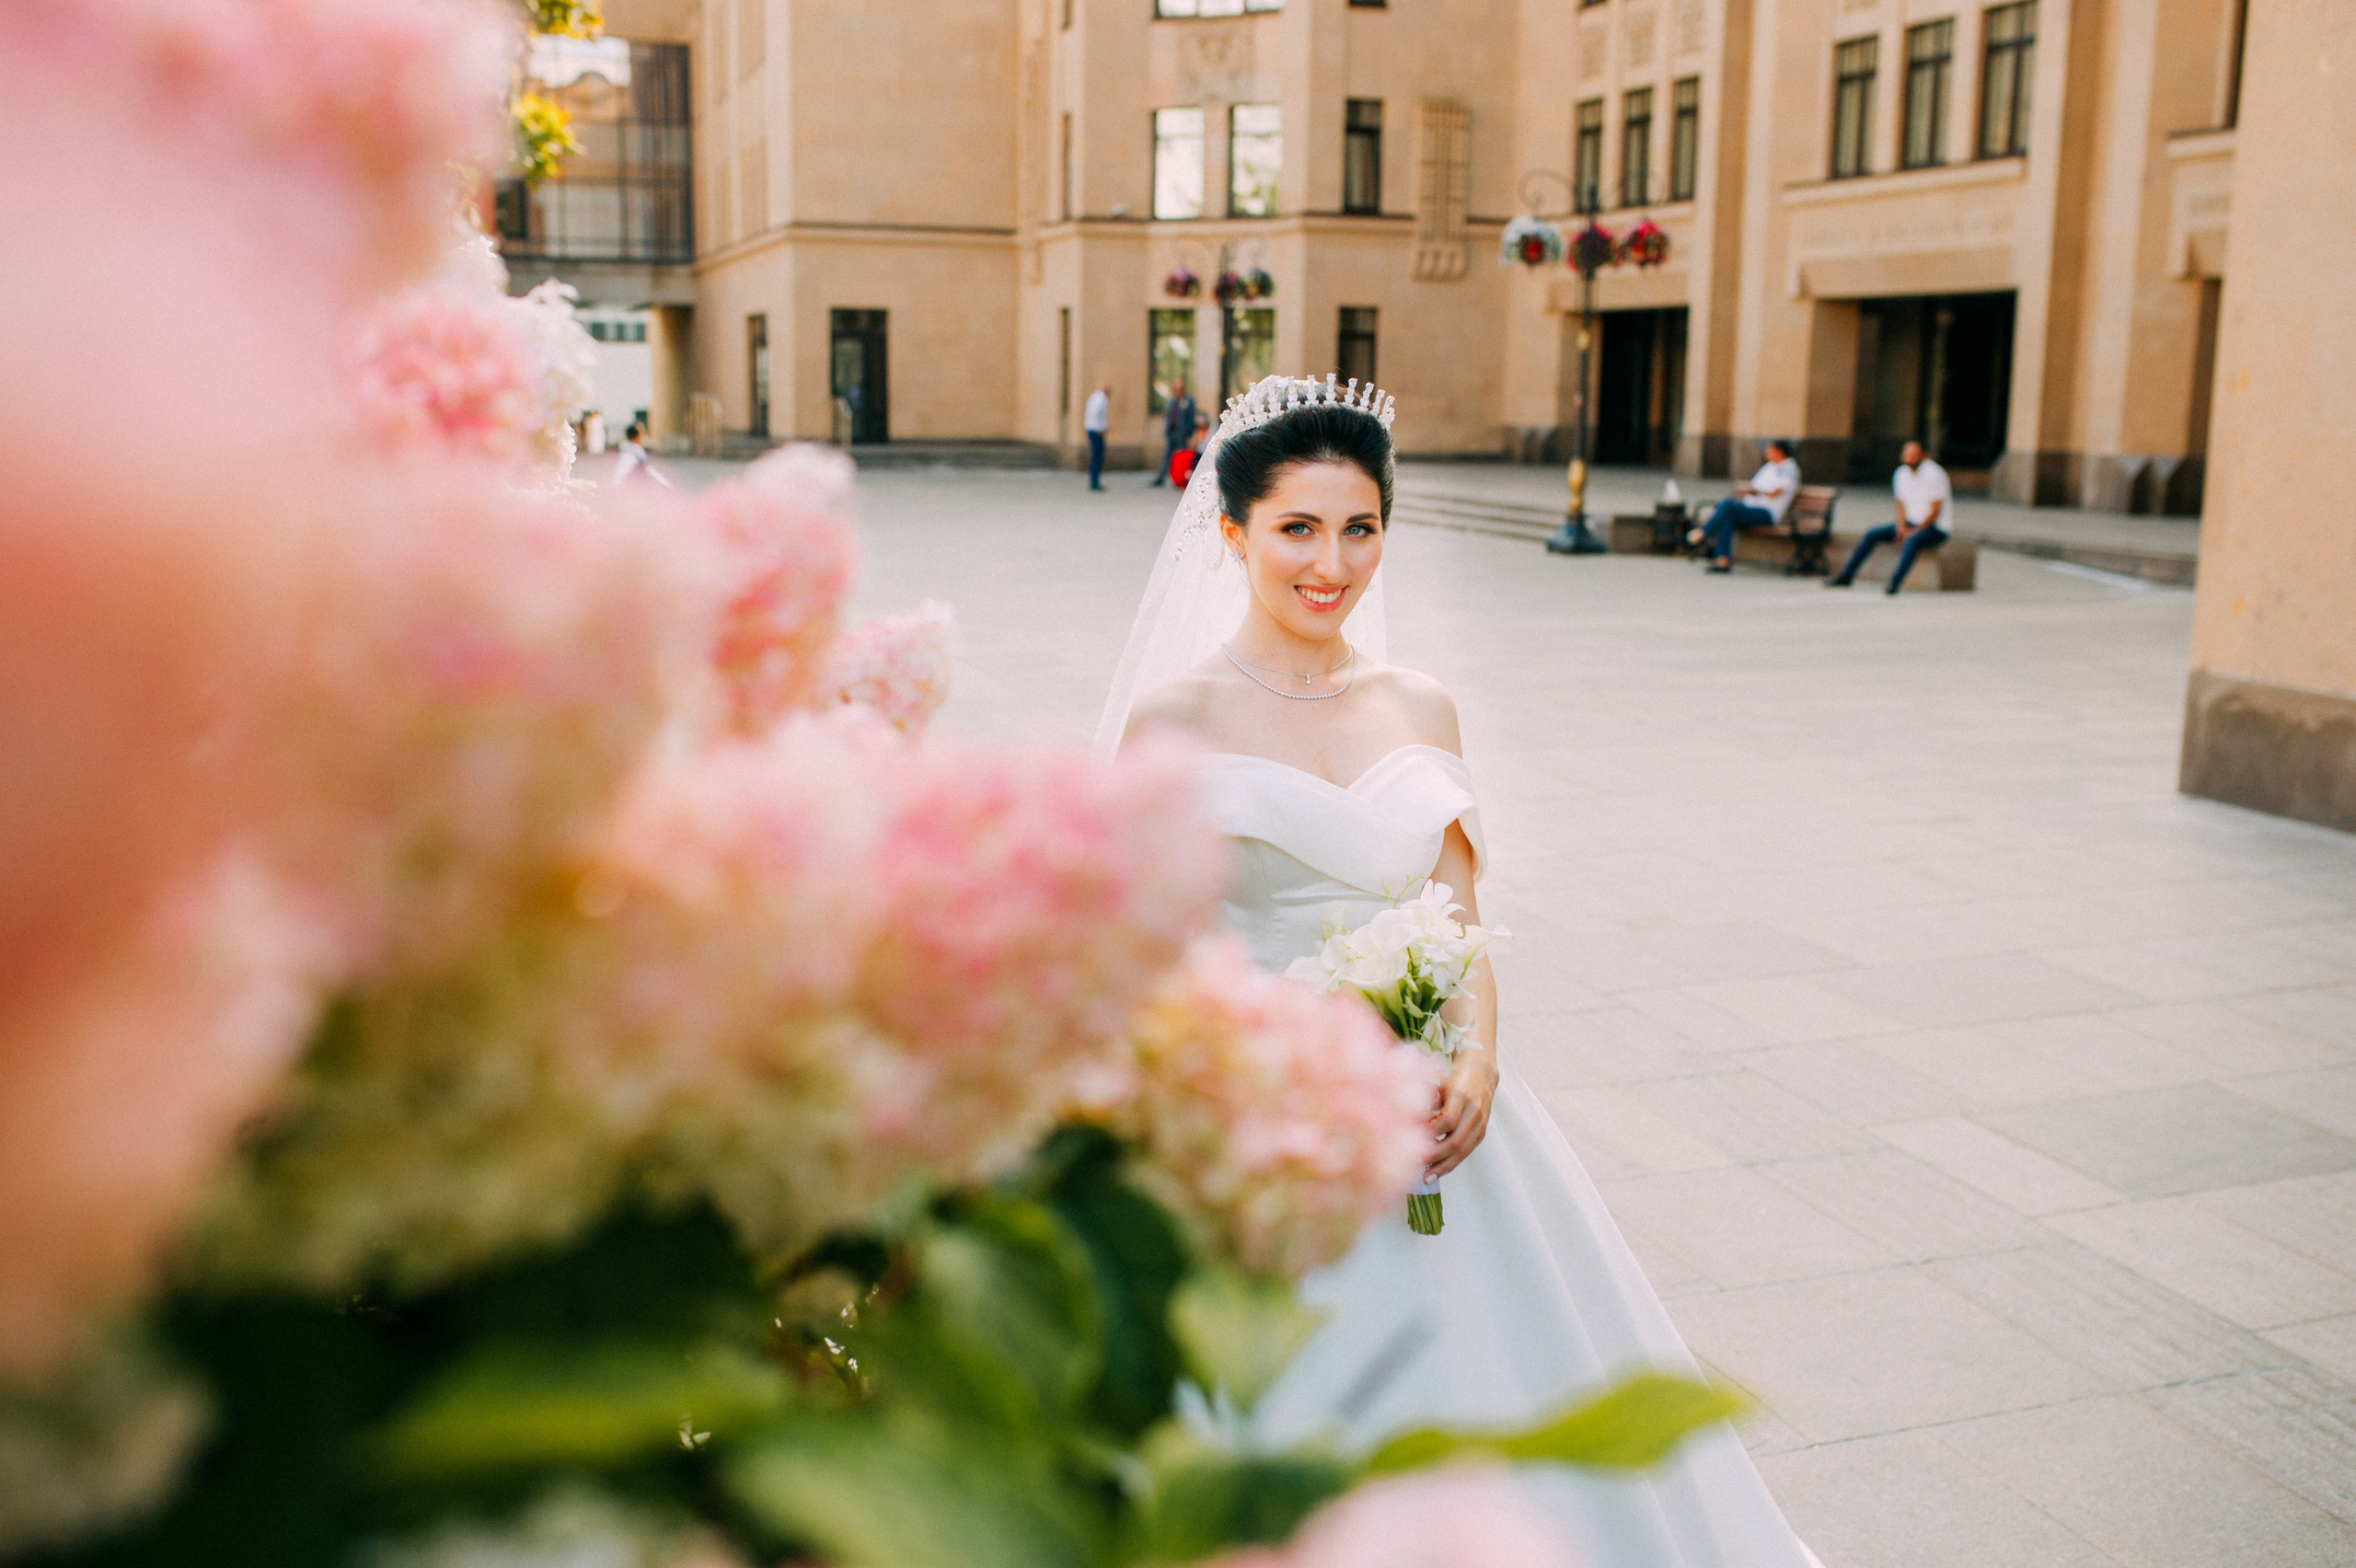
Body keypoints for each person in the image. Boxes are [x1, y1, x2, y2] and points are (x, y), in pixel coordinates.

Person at [1101, 375, 1820, 1568]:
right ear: (1232, 533)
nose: (1332, 562)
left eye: (1361, 527)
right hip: (1261, 1127)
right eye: (1298, 528)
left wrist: (1478, 1057)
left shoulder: (1420, 705)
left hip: (1436, 1122)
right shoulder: (1173, 719)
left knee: (1499, 1393)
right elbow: (1141, 953)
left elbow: (1454, 911)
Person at [1828, 438, 1952, 593]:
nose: (1909, 457)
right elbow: (1900, 505)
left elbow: (1935, 510)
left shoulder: (1935, 474)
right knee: (1872, 534)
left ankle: (1894, 583)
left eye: (1914, 454)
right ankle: (1846, 576)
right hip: (1910, 523)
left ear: (1924, 456)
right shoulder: (1901, 473)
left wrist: (1913, 531)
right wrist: (1901, 527)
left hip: (1934, 528)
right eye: (1906, 453)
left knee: (1912, 541)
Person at [1690, 439, 1799, 573]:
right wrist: (1746, 493)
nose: (1766, 451)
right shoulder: (1769, 468)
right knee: (1727, 516)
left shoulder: (1790, 469)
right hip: (1752, 508)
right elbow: (1754, 487)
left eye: (1769, 449)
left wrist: (1755, 491)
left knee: (1728, 506)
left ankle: (1704, 531)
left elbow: (1774, 493)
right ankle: (1723, 561)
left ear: (1779, 451)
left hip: (1768, 514)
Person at [1151, 378, 1198, 487]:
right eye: (1176, 388)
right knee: (1167, 456)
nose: (1178, 391)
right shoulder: (1172, 401)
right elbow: (1168, 416)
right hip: (1172, 432)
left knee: (1181, 457)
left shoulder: (1188, 400)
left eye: (1180, 388)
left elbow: (1191, 417)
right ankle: (1160, 478)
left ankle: (1181, 478)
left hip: (1182, 433)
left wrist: (1188, 432)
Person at [609, 421, 669, 488]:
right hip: (632, 489)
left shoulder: (630, 450)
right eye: (643, 434)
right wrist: (664, 483)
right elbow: (623, 470)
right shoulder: (633, 453)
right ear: (637, 436)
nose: (644, 437)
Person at [1083, 383, 1111, 490]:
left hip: (1091, 429)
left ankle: (1094, 481)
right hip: (1096, 431)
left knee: (1095, 456)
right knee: (1097, 457)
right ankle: (1094, 482)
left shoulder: (1094, 397)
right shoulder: (1101, 399)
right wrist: (1102, 427)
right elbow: (1097, 415)